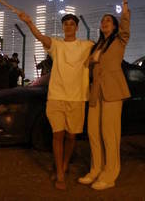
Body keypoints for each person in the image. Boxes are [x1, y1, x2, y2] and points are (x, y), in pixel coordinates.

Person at [18, 10, 93, 190]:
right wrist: (29, 22)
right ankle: (60, 172)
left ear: (77, 27)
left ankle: (65, 163)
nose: (68, 26)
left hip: (76, 99)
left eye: (72, 24)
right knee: (57, 135)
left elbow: (104, 50)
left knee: (71, 136)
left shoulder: (86, 45)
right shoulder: (57, 45)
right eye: (65, 24)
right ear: (63, 27)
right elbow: (41, 37)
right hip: (56, 97)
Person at [78, 0, 131, 191]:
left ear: (115, 26)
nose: (104, 23)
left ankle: (110, 174)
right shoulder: (97, 45)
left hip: (113, 91)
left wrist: (124, 0)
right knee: (93, 132)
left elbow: (126, 24)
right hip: (95, 92)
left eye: (108, 20)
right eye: (102, 21)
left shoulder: (120, 40)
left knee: (110, 133)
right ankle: (96, 169)